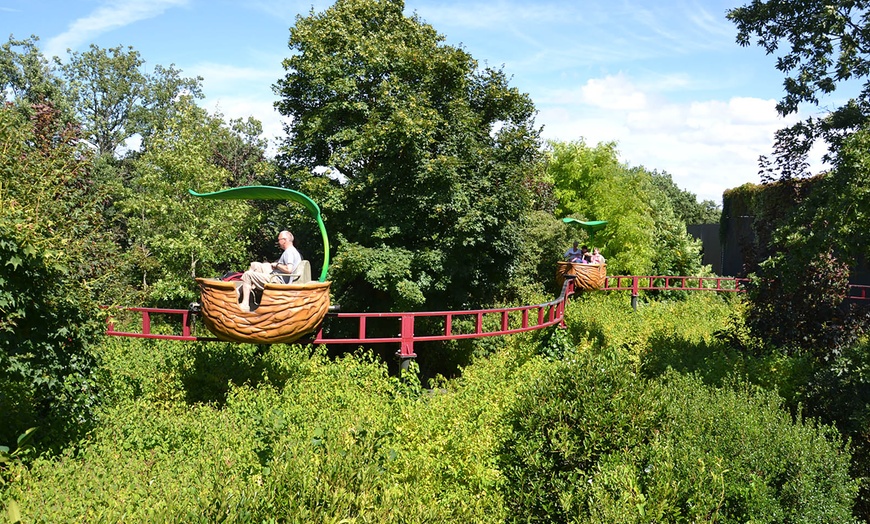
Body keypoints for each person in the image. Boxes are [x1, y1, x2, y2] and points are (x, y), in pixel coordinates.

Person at [239, 230, 302, 312]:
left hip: (277, 280)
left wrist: (277, 265)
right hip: (278, 276)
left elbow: (289, 269)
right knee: (255, 265)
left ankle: (245, 304)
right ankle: (246, 290)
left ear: (284, 240)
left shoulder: (288, 252)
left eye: (279, 240)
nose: (278, 242)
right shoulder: (294, 251)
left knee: (248, 275)